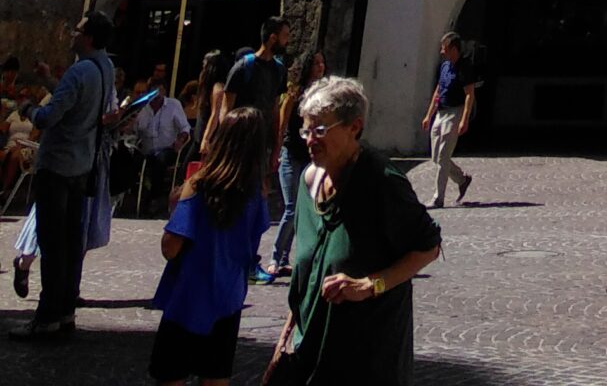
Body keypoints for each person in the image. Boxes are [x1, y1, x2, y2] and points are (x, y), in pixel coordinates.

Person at [276, 75, 440, 386]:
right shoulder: (309, 181)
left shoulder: (382, 181)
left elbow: (429, 247)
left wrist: (369, 285)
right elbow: (308, 274)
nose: (310, 140)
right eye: (306, 130)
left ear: (355, 127)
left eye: (321, 130)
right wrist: (285, 339)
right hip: (309, 356)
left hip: (367, 358)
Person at [147, 106, 274, 386]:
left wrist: (174, 207)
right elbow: (251, 247)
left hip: (188, 297)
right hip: (228, 299)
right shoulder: (256, 193)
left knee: (171, 376)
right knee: (216, 376)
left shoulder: (200, 185)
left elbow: (170, 248)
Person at [16, 11, 115, 343]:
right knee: (71, 244)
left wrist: (27, 108)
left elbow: (49, 117)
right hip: (82, 165)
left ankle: (46, 317)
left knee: (52, 243)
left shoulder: (79, 71)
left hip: (58, 166)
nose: (73, 34)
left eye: (78, 30)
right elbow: (75, 102)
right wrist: (48, 81)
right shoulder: (104, 67)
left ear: (89, 37)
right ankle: (65, 312)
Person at [266, 49, 326, 283]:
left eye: (322, 63)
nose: (320, 67)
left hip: (312, 156)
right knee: (292, 207)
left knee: (307, 208)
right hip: (291, 153)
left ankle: (287, 259)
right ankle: (275, 257)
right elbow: (281, 124)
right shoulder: (294, 93)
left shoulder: (323, 94)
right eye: (316, 63)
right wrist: (276, 152)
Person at [416, 34, 477, 209]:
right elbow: (438, 91)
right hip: (441, 112)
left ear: (454, 49)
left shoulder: (464, 67)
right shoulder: (444, 66)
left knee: (443, 155)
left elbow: (469, 95)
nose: (442, 51)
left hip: (455, 112)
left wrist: (464, 119)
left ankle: (438, 198)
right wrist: (429, 115)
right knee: (436, 157)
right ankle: (462, 179)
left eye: (445, 48)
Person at [224, 20, 294, 127]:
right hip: (242, 132)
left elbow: (275, 109)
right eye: (285, 36)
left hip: (264, 134)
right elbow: (226, 109)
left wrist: (276, 135)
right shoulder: (242, 67)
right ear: (273, 38)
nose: (287, 41)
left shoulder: (280, 70)